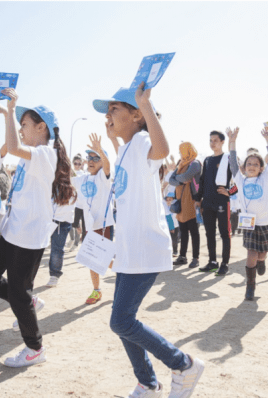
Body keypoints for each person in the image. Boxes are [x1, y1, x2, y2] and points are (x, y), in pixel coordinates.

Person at [93, 84, 204, 397]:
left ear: (137, 116)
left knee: (121, 321)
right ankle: (148, 382)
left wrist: (146, 104)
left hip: (144, 247)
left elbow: (162, 149)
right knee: (125, 319)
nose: (108, 115)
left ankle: (183, 364)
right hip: (129, 249)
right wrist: (114, 139)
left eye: (114, 109)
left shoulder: (142, 140)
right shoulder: (128, 147)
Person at [0, 88, 76, 367]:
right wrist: (10, 116)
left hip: (29, 235)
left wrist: (9, 112)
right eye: (19, 125)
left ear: (41, 127)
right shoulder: (33, 155)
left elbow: (16, 146)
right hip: (13, 231)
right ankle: (27, 303)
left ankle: (35, 349)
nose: (20, 130)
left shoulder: (45, 154)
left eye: (24, 125)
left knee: (18, 294)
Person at [227, 125, 268, 300]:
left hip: (267, 222)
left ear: (261, 168)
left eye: (256, 164)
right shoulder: (239, 180)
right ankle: (250, 286)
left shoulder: (264, 178)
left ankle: (262, 261)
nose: (252, 166)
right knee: (251, 254)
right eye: (249, 163)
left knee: (262, 253)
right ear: (243, 167)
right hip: (250, 223)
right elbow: (232, 162)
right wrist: (232, 142)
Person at [72, 134, 114, 304]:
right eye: (89, 157)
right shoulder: (82, 178)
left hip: (103, 225)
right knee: (91, 259)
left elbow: (108, 166)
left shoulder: (103, 178)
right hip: (89, 224)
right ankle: (97, 290)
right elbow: (67, 175)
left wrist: (101, 152)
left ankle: (124, 272)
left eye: (95, 158)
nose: (91, 160)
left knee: (101, 259)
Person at [194, 130, 233, 276]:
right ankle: (212, 262)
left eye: (215, 140)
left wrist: (230, 191)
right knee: (209, 233)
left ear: (223, 142)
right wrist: (198, 199)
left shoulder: (228, 158)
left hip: (222, 201)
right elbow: (202, 181)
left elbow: (239, 178)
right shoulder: (207, 160)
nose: (212, 143)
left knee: (224, 233)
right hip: (207, 202)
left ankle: (225, 264)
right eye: (210, 140)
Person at [169, 142, 201, 268]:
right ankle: (182, 256)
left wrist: (178, 178)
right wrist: (179, 177)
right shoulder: (180, 164)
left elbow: (185, 177)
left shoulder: (195, 164)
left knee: (194, 232)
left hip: (192, 201)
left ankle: (195, 258)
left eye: (181, 151)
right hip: (181, 201)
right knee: (183, 231)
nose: (180, 154)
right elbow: (171, 180)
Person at [163, 192, 180, 257]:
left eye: (170, 199)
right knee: (168, 239)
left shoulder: (175, 204)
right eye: (168, 199)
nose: (169, 200)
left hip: (175, 225)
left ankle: (175, 251)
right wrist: (171, 227)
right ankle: (168, 251)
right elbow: (168, 216)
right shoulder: (165, 205)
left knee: (175, 239)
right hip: (168, 226)